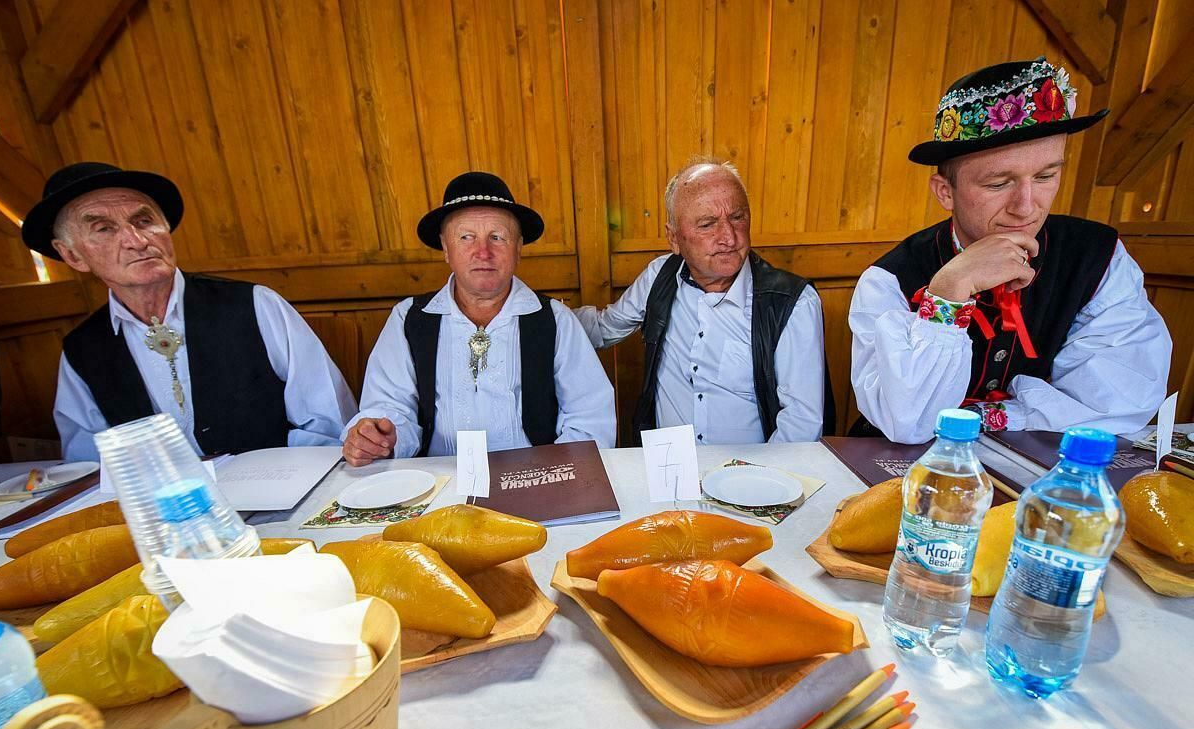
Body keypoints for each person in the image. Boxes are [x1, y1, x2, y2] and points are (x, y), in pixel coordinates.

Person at [849, 58, 1171, 444]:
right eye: (998, 183)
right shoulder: (888, 280)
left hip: (1044, 457)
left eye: (1046, 176)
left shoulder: (1099, 259)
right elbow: (909, 423)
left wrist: (995, 416)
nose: (1026, 206)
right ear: (945, 192)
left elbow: (1115, 402)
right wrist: (949, 291)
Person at [22, 162, 358, 460]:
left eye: (144, 221)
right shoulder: (83, 349)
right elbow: (89, 463)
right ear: (72, 256)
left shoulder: (255, 305)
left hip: (282, 492)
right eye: (104, 228)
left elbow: (329, 425)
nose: (137, 240)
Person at [343, 171, 615, 466]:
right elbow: (389, 408)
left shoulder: (555, 320)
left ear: (518, 248)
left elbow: (589, 418)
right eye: (466, 237)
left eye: (497, 237)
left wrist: (550, 476)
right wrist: (380, 438)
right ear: (446, 248)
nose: (483, 252)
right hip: (438, 479)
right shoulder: (408, 319)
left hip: (533, 477)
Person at [574, 158, 828, 445]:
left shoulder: (792, 303)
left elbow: (801, 424)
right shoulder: (660, 277)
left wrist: (752, 474)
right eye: (708, 224)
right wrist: (547, 317)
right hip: (668, 465)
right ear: (674, 238)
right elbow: (604, 328)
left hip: (750, 469)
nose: (729, 237)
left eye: (737, 217)